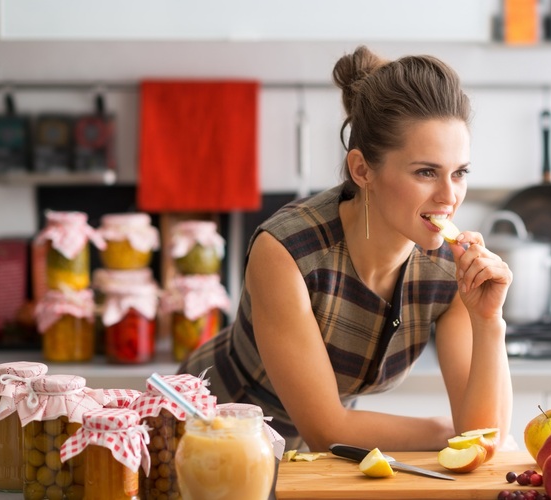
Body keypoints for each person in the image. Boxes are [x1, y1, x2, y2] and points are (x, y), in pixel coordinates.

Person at [179, 45, 513, 452]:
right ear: (362, 170)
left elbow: (485, 436)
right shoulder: (286, 251)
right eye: (426, 172)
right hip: (206, 433)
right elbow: (328, 429)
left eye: (459, 173)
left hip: (323, 461)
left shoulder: (452, 269)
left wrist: (489, 320)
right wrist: (448, 432)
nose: (449, 195)